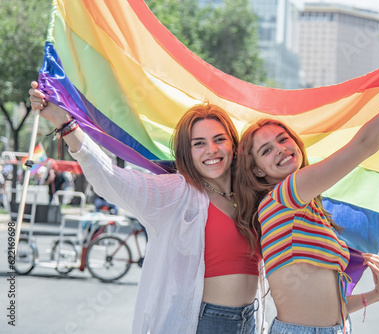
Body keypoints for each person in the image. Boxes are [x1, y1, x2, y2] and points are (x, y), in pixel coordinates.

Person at [235, 43, 379, 333]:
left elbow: (324, 308)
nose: (280, 150)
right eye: (266, 150)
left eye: (283, 139)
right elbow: (364, 145)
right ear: (257, 169)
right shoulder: (284, 195)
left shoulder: (308, 207)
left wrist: (374, 296)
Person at [29, 83, 264, 334]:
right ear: (187, 151)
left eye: (220, 140)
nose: (212, 150)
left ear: (234, 146)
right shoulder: (177, 193)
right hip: (202, 323)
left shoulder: (251, 195)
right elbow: (111, 179)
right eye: (199, 144)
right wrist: (64, 123)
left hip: (250, 321)